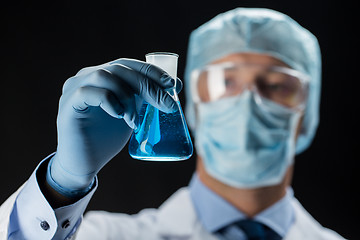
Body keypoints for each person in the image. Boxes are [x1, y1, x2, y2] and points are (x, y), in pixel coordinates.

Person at [0, 7, 345, 240]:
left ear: (306, 110)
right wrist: (64, 183)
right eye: (224, 82)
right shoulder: (100, 235)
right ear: (188, 102)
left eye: (277, 85)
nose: (248, 102)